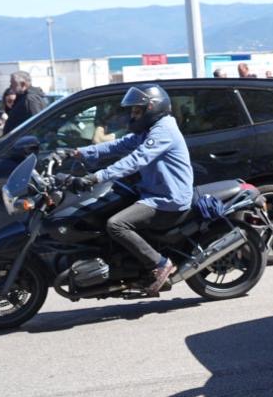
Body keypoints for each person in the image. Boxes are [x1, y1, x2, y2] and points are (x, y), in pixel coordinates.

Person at [71, 85, 193, 295]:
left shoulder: (164, 130)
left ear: (152, 108)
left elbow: (136, 159)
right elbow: (119, 145)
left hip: (167, 199)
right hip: (151, 191)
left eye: (137, 110)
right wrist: (79, 153)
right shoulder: (149, 129)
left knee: (116, 224)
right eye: (133, 111)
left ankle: (160, 263)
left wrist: (97, 177)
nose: (133, 115)